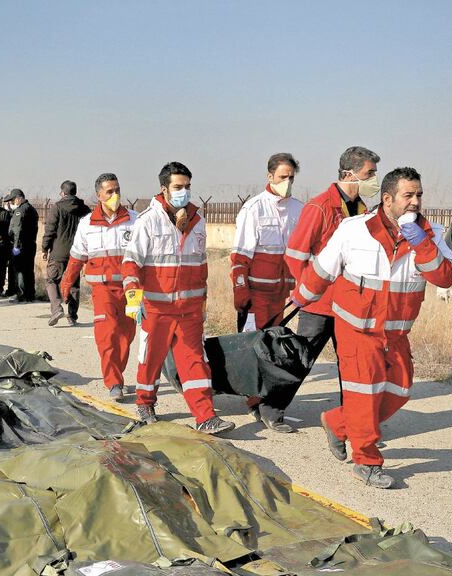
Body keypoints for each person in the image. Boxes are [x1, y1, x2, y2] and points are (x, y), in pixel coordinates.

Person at [292, 167, 452, 488]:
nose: (415, 202)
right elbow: (323, 268)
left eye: (419, 195)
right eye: (408, 195)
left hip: (396, 333)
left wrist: (423, 244)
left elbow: (446, 278)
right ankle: (366, 461)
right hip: (356, 329)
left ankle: (338, 423)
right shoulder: (354, 229)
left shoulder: (432, 234)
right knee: (364, 394)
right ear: (387, 199)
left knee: (399, 390)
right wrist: (300, 297)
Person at [122, 161, 235, 435]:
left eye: (187, 186)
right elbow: (131, 263)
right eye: (178, 187)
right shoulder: (148, 221)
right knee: (151, 360)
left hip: (190, 311)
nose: (184, 191)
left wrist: (203, 305)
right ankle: (145, 404)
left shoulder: (198, 222)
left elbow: (201, 266)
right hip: (156, 309)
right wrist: (133, 298)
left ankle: (205, 417)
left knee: (195, 362)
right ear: (164, 189)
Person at [286, 147, 381, 398]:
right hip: (319, 304)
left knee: (352, 364)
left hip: (351, 305)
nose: (374, 179)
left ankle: (350, 412)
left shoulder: (362, 210)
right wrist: (309, 290)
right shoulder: (320, 207)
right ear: (349, 174)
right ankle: (271, 408)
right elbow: (295, 255)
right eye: (369, 173)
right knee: (301, 360)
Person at [230, 152, 304, 432]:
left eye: (291, 177)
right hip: (256, 295)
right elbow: (240, 257)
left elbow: (301, 253)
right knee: (253, 350)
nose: (287, 182)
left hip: (282, 296)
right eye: (283, 177)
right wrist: (241, 291)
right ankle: (254, 400)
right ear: (270, 176)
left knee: (274, 350)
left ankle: (267, 399)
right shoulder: (254, 208)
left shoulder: (299, 209)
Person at [61, 173, 137, 401]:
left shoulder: (135, 220)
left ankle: (117, 375)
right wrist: (67, 282)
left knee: (125, 336)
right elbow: (77, 257)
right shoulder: (87, 224)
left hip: (131, 290)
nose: (115, 195)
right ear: (99, 195)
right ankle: (113, 381)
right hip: (103, 290)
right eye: (110, 191)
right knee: (107, 334)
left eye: (117, 190)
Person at [42, 180, 91, 325]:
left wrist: (45, 248)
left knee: (52, 280)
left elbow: (50, 230)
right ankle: (72, 316)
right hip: (77, 252)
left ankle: (57, 308)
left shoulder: (57, 207)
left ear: (63, 192)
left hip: (58, 252)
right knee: (74, 284)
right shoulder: (85, 209)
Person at [7, 188, 39, 302]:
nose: (12, 203)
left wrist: (16, 246)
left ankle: (21, 294)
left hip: (21, 245)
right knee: (29, 270)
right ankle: (30, 295)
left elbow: (17, 230)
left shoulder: (20, 210)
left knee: (20, 269)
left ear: (18, 198)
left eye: (12, 200)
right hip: (30, 244)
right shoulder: (31, 208)